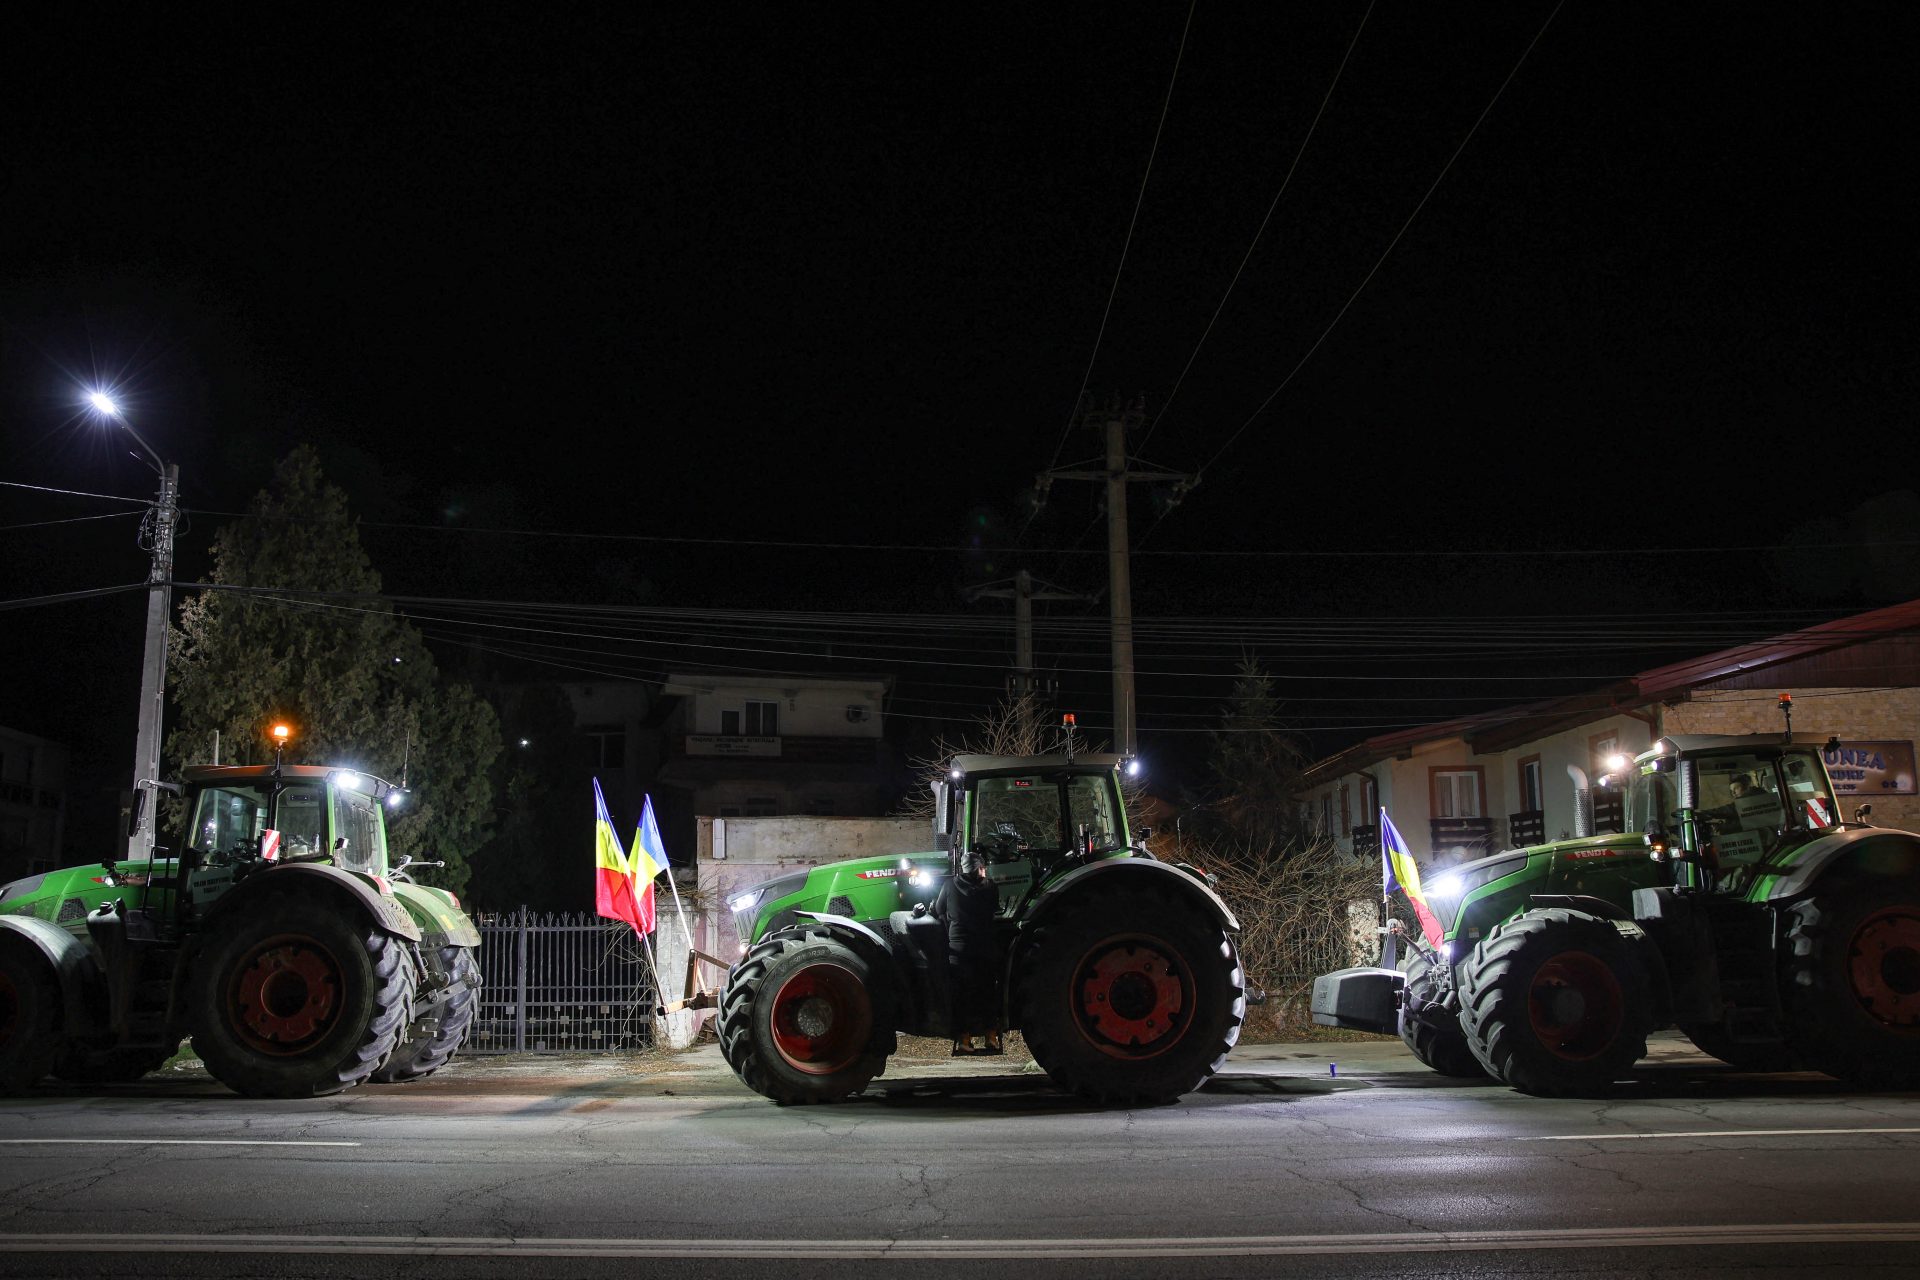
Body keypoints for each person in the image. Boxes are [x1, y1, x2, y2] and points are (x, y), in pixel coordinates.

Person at [931, 847, 1001, 1054]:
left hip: (958, 950)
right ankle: (991, 1037)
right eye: (983, 868)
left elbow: (938, 910)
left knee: (962, 995)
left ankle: (964, 1039)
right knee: (987, 992)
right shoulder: (990, 887)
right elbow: (994, 909)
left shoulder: (949, 885)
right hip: (985, 948)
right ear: (979, 869)